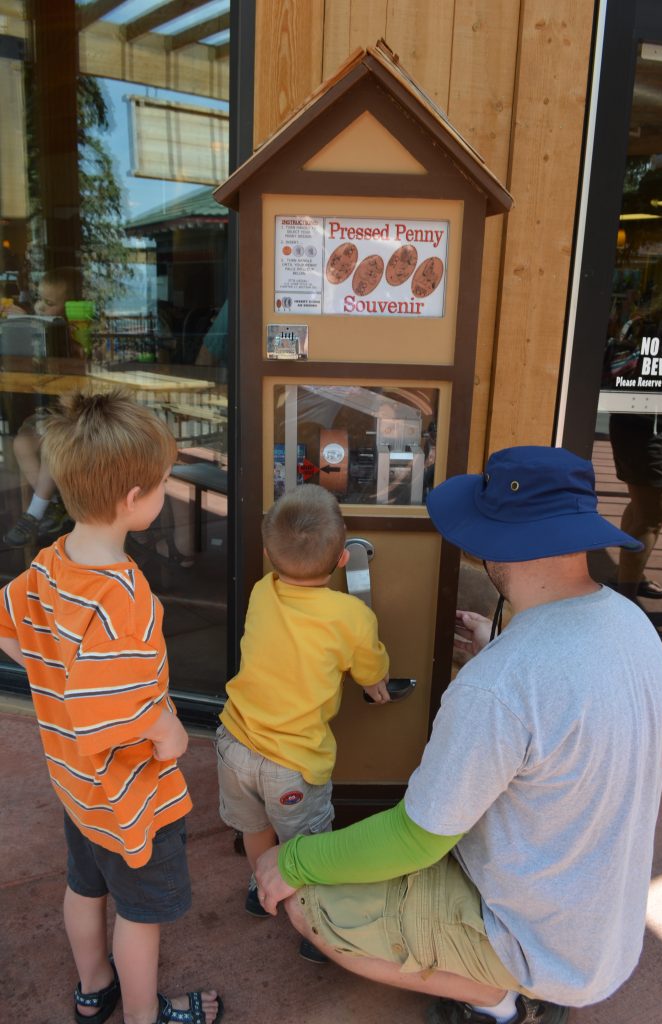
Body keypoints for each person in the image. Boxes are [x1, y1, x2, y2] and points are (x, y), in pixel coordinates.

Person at [254, 446, 662, 1024]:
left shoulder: (498, 685)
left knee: (310, 903)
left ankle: (500, 1003)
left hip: (536, 943)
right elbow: (561, 706)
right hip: (600, 930)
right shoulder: (631, 624)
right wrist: (496, 647)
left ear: (499, 539)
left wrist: (293, 860)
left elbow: (415, 839)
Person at [0, 389, 223, 1024]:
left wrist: (48, 673)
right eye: (160, 485)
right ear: (134, 501)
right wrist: (170, 735)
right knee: (140, 913)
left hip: (75, 783)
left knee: (83, 885)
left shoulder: (48, 564)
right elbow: (116, 703)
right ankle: (144, 1015)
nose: (162, 494)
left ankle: (93, 989)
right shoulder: (124, 596)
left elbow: (10, 629)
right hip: (131, 797)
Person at [215, 484, 390, 962]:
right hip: (291, 763)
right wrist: (377, 683)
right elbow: (370, 667)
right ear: (342, 560)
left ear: (269, 554)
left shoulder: (261, 592)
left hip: (234, 743)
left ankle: (261, 886)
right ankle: (317, 918)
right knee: (309, 842)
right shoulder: (351, 616)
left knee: (255, 827)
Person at [3, 267, 83, 548]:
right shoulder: (41, 332)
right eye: (39, 299)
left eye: (49, 303)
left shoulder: (74, 334)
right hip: (50, 413)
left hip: (75, 418)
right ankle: (52, 504)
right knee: (22, 442)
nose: (40, 306)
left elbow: (78, 375)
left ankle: (35, 511)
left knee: (52, 443)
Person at [608, 411, 662, 601]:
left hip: (659, 423)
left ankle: (626, 576)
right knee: (651, 515)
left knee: (642, 508)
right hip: (646, 426)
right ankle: (626, 600)